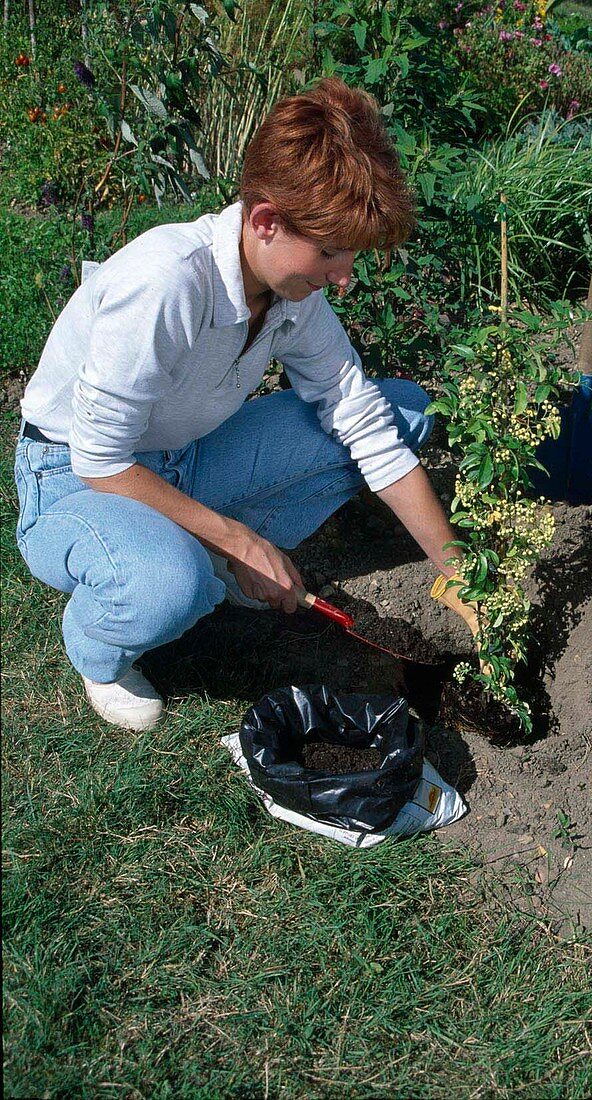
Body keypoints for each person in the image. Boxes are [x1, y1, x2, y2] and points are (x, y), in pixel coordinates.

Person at [14, 77, 467, 733]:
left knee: (399, 413)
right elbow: (100, 460)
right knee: (172, 587)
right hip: (76, 480)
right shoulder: (166, 282)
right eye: (332, 253)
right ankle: (100, 646)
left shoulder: (293, 296)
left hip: (184, 457)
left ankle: (211, 560)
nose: (343, 277)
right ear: (265, 221)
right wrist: (237, 539)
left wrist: (454, 568)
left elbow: (363, 423)